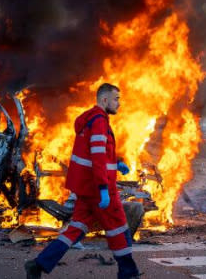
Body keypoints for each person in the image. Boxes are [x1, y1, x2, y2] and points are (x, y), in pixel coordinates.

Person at [25, 83, 140, 279]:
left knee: (76, 229)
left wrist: (115, 162)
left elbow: (96, 152)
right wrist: (103, 188)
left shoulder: (90, 119)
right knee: (120, 229)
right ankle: (129, 274)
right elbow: (96, 155)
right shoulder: (99, 122)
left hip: (87, 190)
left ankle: (38, 264)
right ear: (104, 100)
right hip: (100, 191)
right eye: (116, 99)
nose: (119, 104)